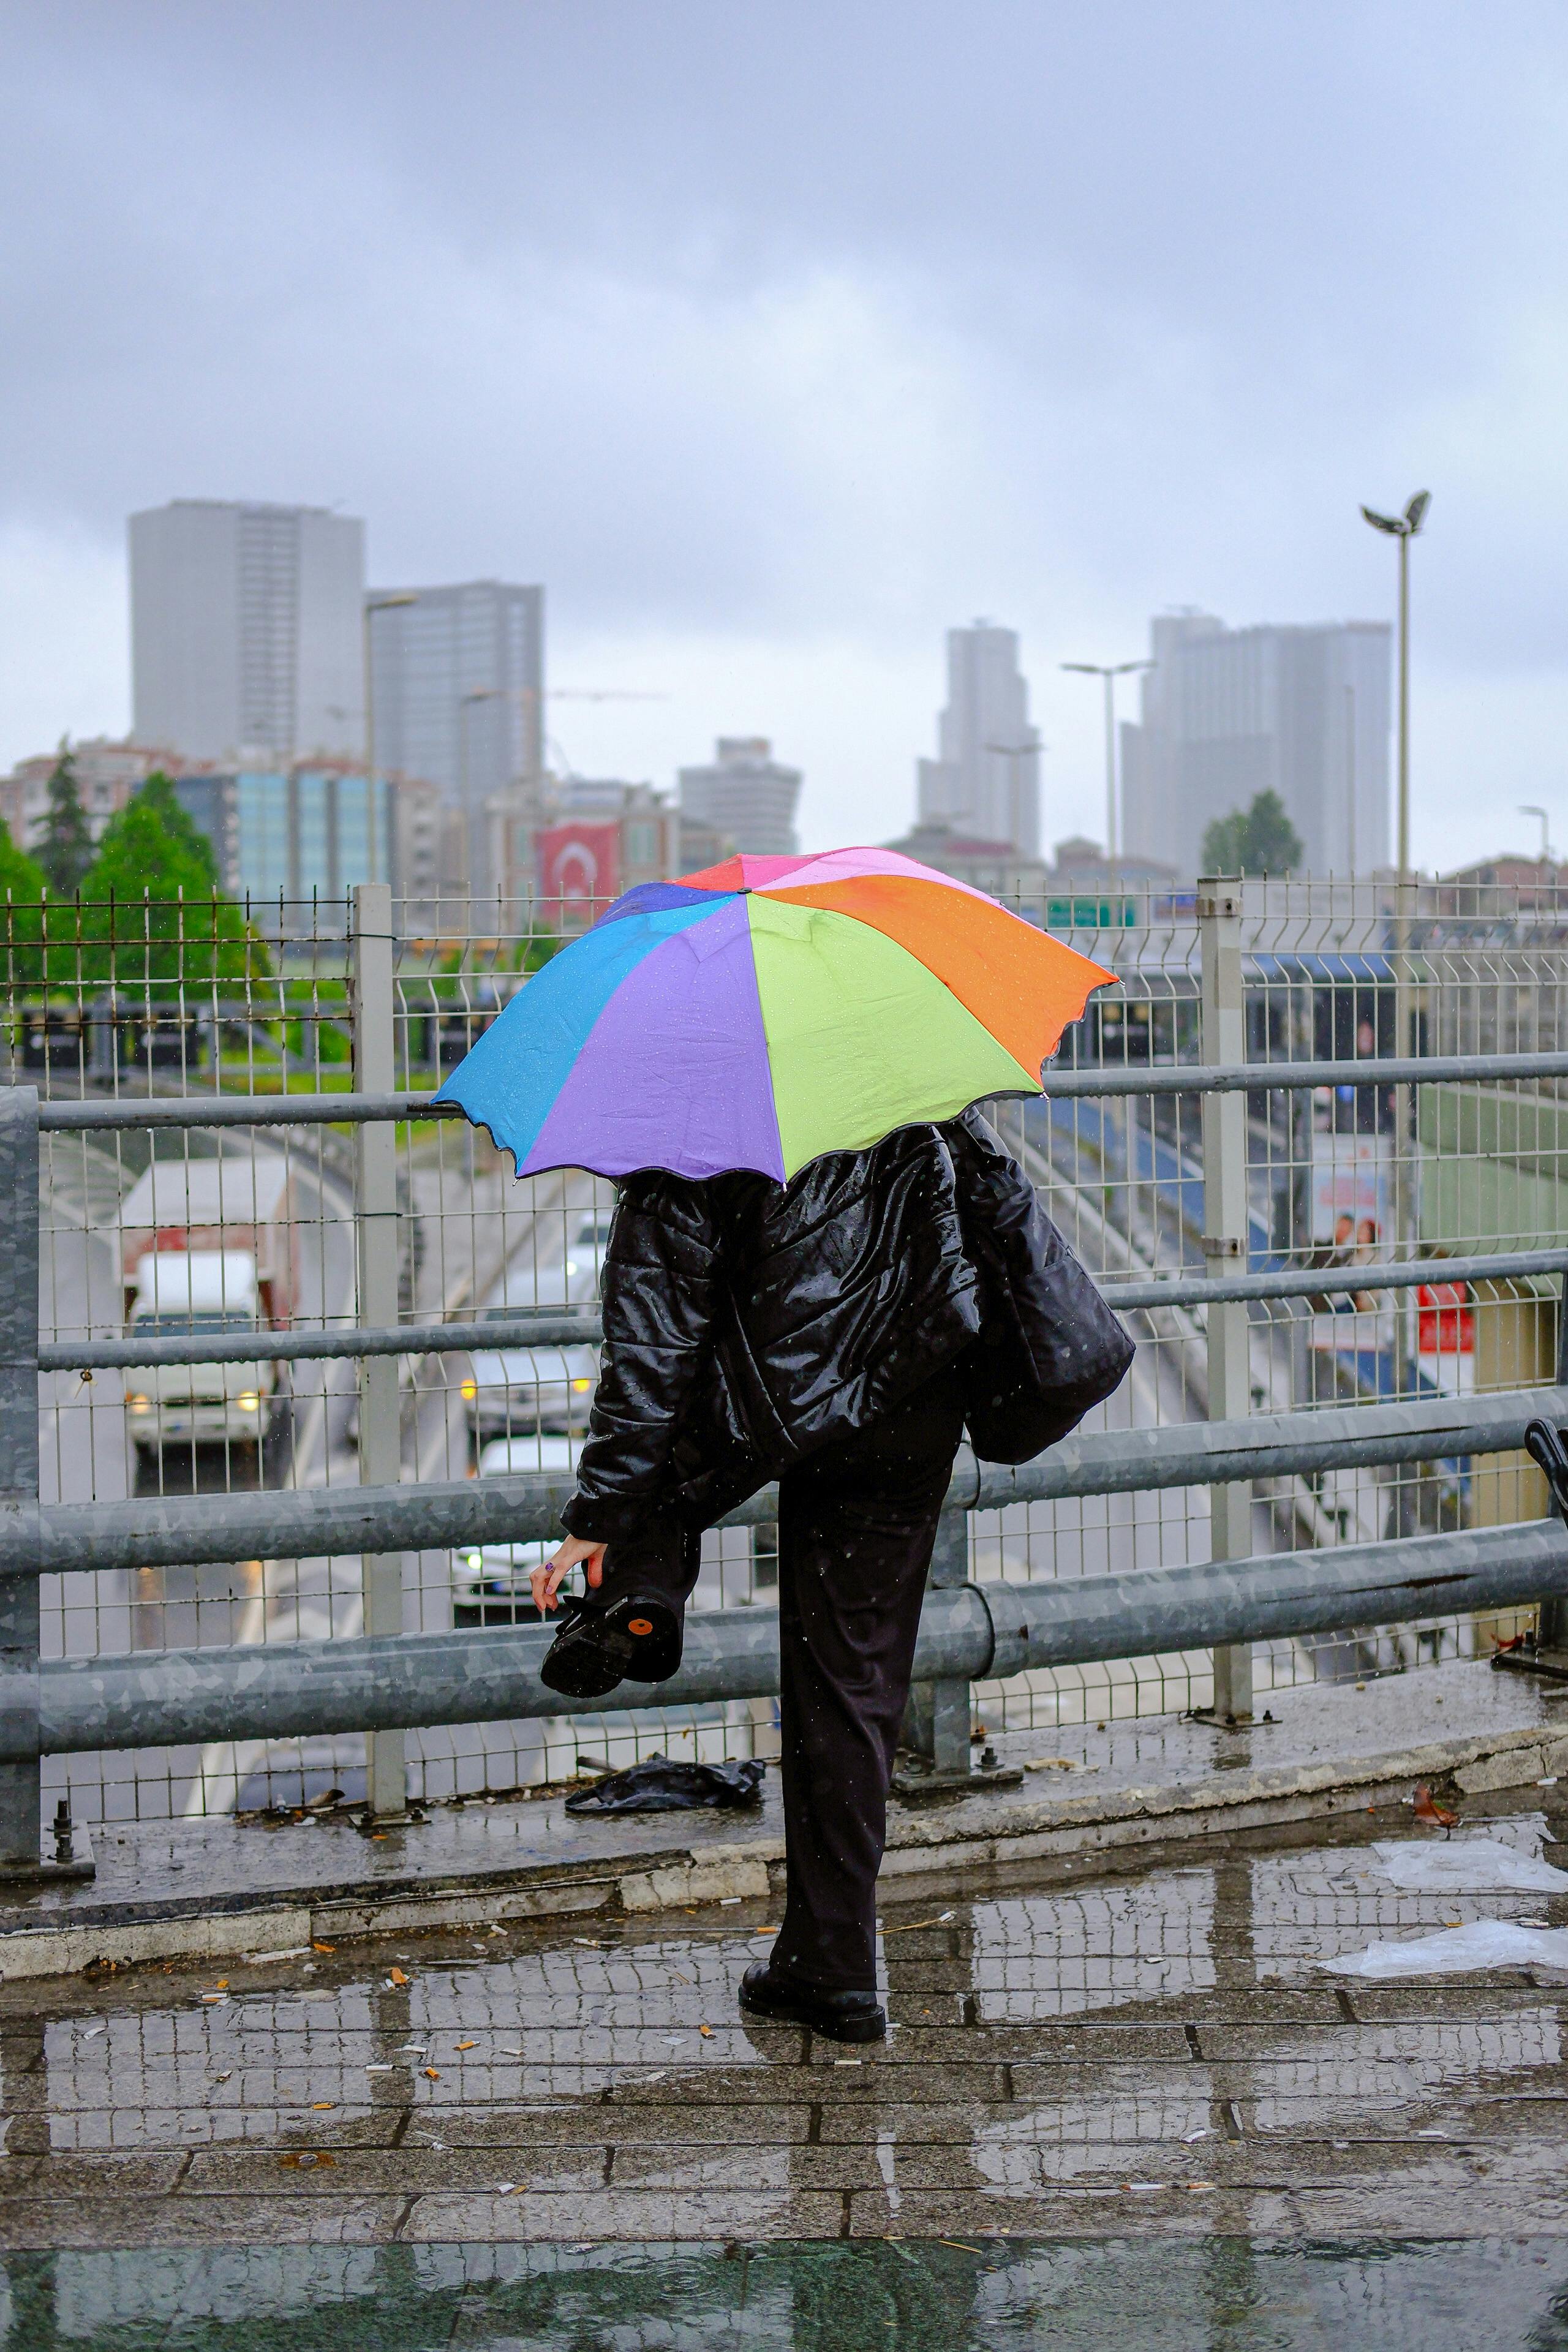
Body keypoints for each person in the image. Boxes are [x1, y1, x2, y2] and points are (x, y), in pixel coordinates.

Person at [530, 1107, 1131, 2043]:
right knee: (852, 1680)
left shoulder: (691, 1096)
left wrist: (596, 1517)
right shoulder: (899, 1052)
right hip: (914, 1382)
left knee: (668, 1459)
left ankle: (638, 1582)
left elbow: (652, 1341)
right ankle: (832, 1967)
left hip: (784, 1389)